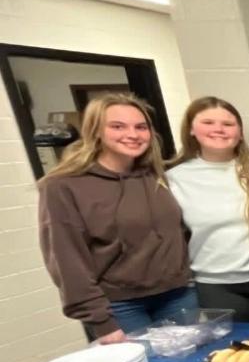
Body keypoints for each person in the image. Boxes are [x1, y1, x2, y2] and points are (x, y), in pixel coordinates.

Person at [37, 92, 195, 341]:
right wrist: (101, 322)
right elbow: (67, 259)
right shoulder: (63, 185)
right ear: (96, 131)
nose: (132, 134)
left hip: (177, 295)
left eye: (140, 127)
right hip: (121, 306)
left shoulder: (156, 175)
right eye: (118, 126)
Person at [166, 97, 249, 322]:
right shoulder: (174, 178)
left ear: (240, 132)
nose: (219, 129)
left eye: (228, 124)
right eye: (208, 122)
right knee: (233, 344)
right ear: (191, 129)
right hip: (214, 286)